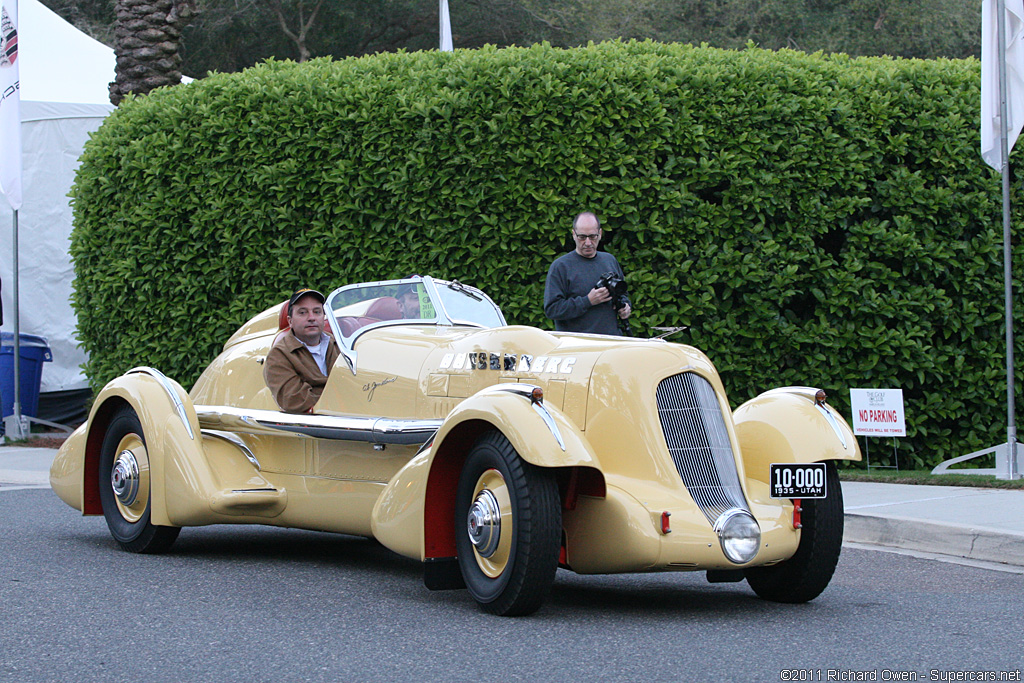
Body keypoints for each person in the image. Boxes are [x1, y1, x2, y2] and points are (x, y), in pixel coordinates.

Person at [544, 211, 631, 335]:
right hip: (579, 345)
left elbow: (623, 294)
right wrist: (588, 301)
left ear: (600, 234)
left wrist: (626, 307)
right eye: (582, 237)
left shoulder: (609, 260)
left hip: (611, 341)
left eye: (592, 236)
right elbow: (552, 310)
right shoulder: (561, 267)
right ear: (574, 234)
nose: (588, 243)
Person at [264, 288, 340, 413]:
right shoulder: (279, 354)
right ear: (290, 321)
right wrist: (342, 397)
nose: (311, 318)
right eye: (303, 313)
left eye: (317, 312)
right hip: (311, 427)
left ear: (323, 317)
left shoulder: (339, 344)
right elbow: (294, 401)